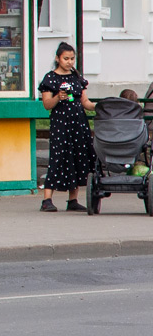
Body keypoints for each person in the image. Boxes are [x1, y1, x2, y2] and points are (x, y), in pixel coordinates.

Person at [39, 41, 95, 212]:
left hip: (78, 123)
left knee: (78, 157)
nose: (69, 62)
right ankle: (47, 199)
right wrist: (58, 97)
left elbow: (84, 101)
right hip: (60, 124)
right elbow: (47, 104)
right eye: (66, 58)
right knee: (58, 157)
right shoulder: (50, 78)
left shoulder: (77, 77)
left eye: (72, 58)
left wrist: (99, 106)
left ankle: (73, 199)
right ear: (57, 59)